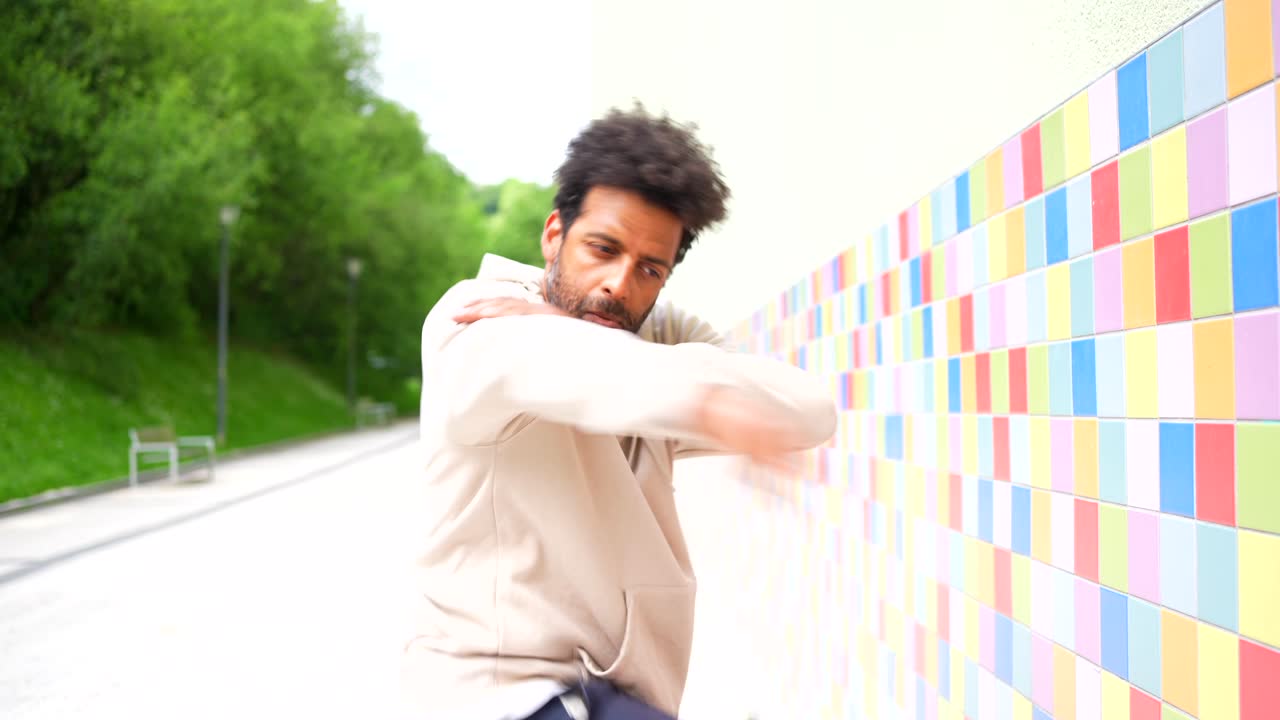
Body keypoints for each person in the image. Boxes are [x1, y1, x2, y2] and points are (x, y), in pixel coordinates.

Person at [402, 105, 836, 720]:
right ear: (555, 234)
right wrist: (709, 401)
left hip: (609, 695)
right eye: (601, 248)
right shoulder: (477, 319)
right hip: (495, 694)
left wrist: (707, 392)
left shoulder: (656, 337)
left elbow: (812, 409)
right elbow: (568, 368)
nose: (618, 284)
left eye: (649, 268)